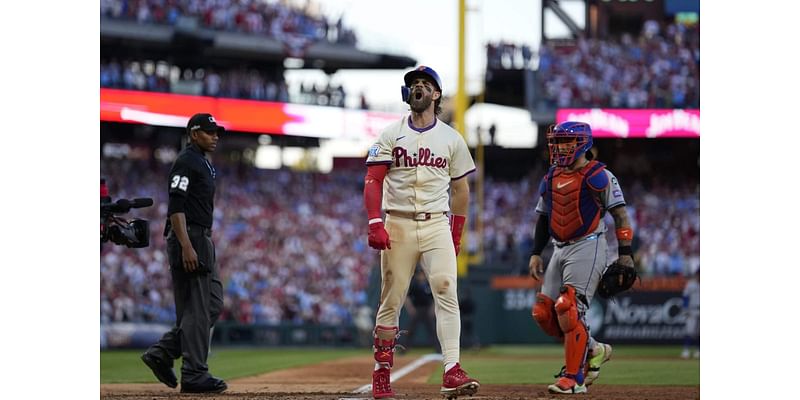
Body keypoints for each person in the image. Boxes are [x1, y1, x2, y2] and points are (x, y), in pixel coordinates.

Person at [363, 65, 480, 399]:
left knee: (446, 289)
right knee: (392, 298)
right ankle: (381, 373)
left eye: (425, 84)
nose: (418, 88)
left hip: (436, 223)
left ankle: (452, 369)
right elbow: (373, 179)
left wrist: (455, 233)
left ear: (436, 94)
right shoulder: (389, 133)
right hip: (398, 221)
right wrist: (375, 221)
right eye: (414, 84)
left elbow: (461, 191)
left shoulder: (451, 138)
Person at [528, 121, 635, 394]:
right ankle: (595, 349)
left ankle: (573, 378)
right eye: (558, 142)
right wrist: (535, 252)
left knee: (569, 307)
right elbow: (543, 218)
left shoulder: (600, 175)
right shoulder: (551, 176)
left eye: (567, 142)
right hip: (558, 247)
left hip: (589, 244)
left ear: (583, 144)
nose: (561, 147)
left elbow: (621, 215)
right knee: (543, 313)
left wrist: (626, 255)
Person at [141, 113, 227, 394]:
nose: (215, 136)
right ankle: (193, 373)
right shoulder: (186, 161)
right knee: (198, 307)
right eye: (209, 132)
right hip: (189, 236)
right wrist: (187, 245)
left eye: (216, 132)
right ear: (193, 134)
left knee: (211, 303)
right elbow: (175, 207)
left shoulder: (201, 161)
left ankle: (164, 351)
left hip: (201, 236)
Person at [403, 268, 438, 353]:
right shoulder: (414, 284)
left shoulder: (429, 284)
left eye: (423, 274)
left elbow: (435, 297)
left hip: (427, 309)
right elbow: (406, 296)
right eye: (420, 274)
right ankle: (404, 349)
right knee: (410, 330)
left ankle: (438, 349)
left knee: (433, 330)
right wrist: (410, 308)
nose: (421, 276)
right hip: (417, 309)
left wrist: (433, 308)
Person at [681, 268, 700, 359]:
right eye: (698, 273)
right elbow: (685, 297)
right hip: (692, 309)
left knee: (699, 332)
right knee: (690, 331)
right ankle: (686, 350)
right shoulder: (691, 284)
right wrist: (685, 309)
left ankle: (698, 351)